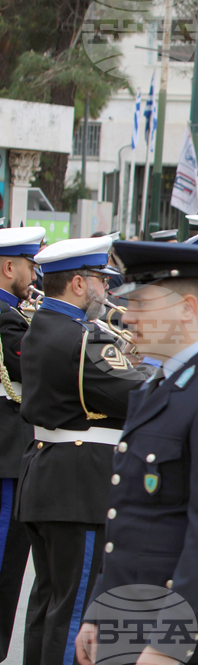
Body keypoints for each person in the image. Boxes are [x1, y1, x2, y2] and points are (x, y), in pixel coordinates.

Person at [74, 240, 198, 665]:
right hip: (130, 617)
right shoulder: (159, 384)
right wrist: (100, 610)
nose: (127, 317)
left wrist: (170, 644)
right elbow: (129, 516)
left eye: (141, 304)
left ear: (186, 308)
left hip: (178, 632)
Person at [18, 236, 153, 665]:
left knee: (49, 602)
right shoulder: (85, 339)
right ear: (78, 283)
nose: (106, 288)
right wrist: (156, 362)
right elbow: (139, 396)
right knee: (76, 609)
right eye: (99, 279)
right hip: (79, 485)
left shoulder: (42, 325)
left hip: (48, 475)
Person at [0, 227, 44, 661]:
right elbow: (37, 367)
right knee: (5, 562)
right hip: (6, 453)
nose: (34, 275)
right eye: (30, 266)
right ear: (8, 267)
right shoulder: (7, 317)